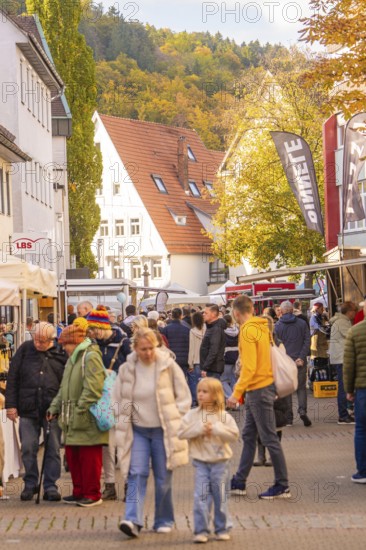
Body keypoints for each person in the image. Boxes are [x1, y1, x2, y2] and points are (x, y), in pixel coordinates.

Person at [113, 328, 191, 538]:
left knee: (163, 476)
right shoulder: (127, 369)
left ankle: (163, 519)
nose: (148, 353)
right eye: (143, 349)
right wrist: (119, 416)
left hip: (163, 430)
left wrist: (177, 416)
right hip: (137, 430)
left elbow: (184, 396)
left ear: (157, 346)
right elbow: (118, 397)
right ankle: (132, 519)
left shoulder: (168, 365)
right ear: (135, 349)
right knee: (136, 473)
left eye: (151, 348)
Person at [227, 295, 291, 499]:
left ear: (236, 313)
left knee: (269, 437)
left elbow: (250, 367)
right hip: (264, 386)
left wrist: (236, 393)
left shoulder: (247, 331)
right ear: (252, 309)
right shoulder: (262, 327)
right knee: (249, 435)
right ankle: (239, 480)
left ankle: (282, 485)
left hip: (258, 388)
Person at [48, 320, 108, 507]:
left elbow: (93, 388)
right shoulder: (73, 359)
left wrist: (80, 409)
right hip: (71, 416)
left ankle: (92, 494)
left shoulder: (90, 357)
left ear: (73, 342)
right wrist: (54, 406)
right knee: (74, 456)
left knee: (89, 457)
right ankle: (79, 491)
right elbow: (63, 387)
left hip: (86, 416)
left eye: (65, 344)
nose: (63, 348)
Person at [5, 322, 67, 501]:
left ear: (51, 339)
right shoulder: (25, 349)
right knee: (28, 447)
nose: (37, 344)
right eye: (35, 340)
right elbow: (13, 377)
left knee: (53, 448)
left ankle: (50, 486)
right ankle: (31, 483)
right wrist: (11, 405)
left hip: (52, 409)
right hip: (28, 408)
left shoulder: (60, 353)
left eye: (41, 341)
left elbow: (65, 381)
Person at [178, 378, 239, 543]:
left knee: (220, 497)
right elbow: (181, 432)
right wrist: (198, 429)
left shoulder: (223, 416)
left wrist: (218, 429)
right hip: (201, 463)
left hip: (221, 462)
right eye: (199, 391)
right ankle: (201, 530)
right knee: (201, 497)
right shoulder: (192, 415)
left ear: (215, 395)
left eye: (205, 392)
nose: (200, 394)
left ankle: (222, 527)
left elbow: (234, 435)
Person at [86, 306, 128, 501]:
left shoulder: (123, 343)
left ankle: (129, 485)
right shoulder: (93, 344)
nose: (92, 333)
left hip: (123, 399)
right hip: (102, 401)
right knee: (107, 446)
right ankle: (109, 485)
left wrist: (118, 375)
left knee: (125, 444)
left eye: (94, 329)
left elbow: (133, 368)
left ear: (103, 326)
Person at [274, 300, 311, 427]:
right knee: (301, 388)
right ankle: (302, 411)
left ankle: (289, 418)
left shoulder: (277, 326)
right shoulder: (302, 323)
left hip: (285, 362)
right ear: (292, 310)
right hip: (300, 361)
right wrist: (301, 357)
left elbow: (276, 345)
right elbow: (307, 340)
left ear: (282, 311)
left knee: (287, 390)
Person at [343, 301, 366, 483]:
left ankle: (363, 472)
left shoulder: (355, 331)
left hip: (363, 389)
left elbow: (349, 365)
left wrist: (348, 390)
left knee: (361, 430)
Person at [329, 301, 357, 424]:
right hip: (342, 359)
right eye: (354, 311)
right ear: (349, 311)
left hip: (340, 358)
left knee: (344, 386)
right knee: (344, 387)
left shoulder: (341, 321)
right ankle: (343, 415)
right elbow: (352, 337)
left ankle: (346, 413)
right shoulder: (342, 322)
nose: (355, 314)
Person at [200, 304, 227, 380]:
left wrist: (205, 368)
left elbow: (214, 350)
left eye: (206, 313)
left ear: (214, 314)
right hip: (210, 368)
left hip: (212, 369)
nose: (203, 314)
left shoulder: (216, 329)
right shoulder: (211, 327)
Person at [188, 311, 206, 406]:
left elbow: (191, 348)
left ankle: (197, 400)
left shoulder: (192, 331)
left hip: (196, 360)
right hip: (206, 359)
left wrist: (190, 363)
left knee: (195, 382)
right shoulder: (207, 329)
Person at [221, 314, 239, 400]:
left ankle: (230, 398)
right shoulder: (237, 330)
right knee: (233, 379)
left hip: (226, 357)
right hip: (236, 356)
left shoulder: (222, 332)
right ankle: (235, 398)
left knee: (223, 380)